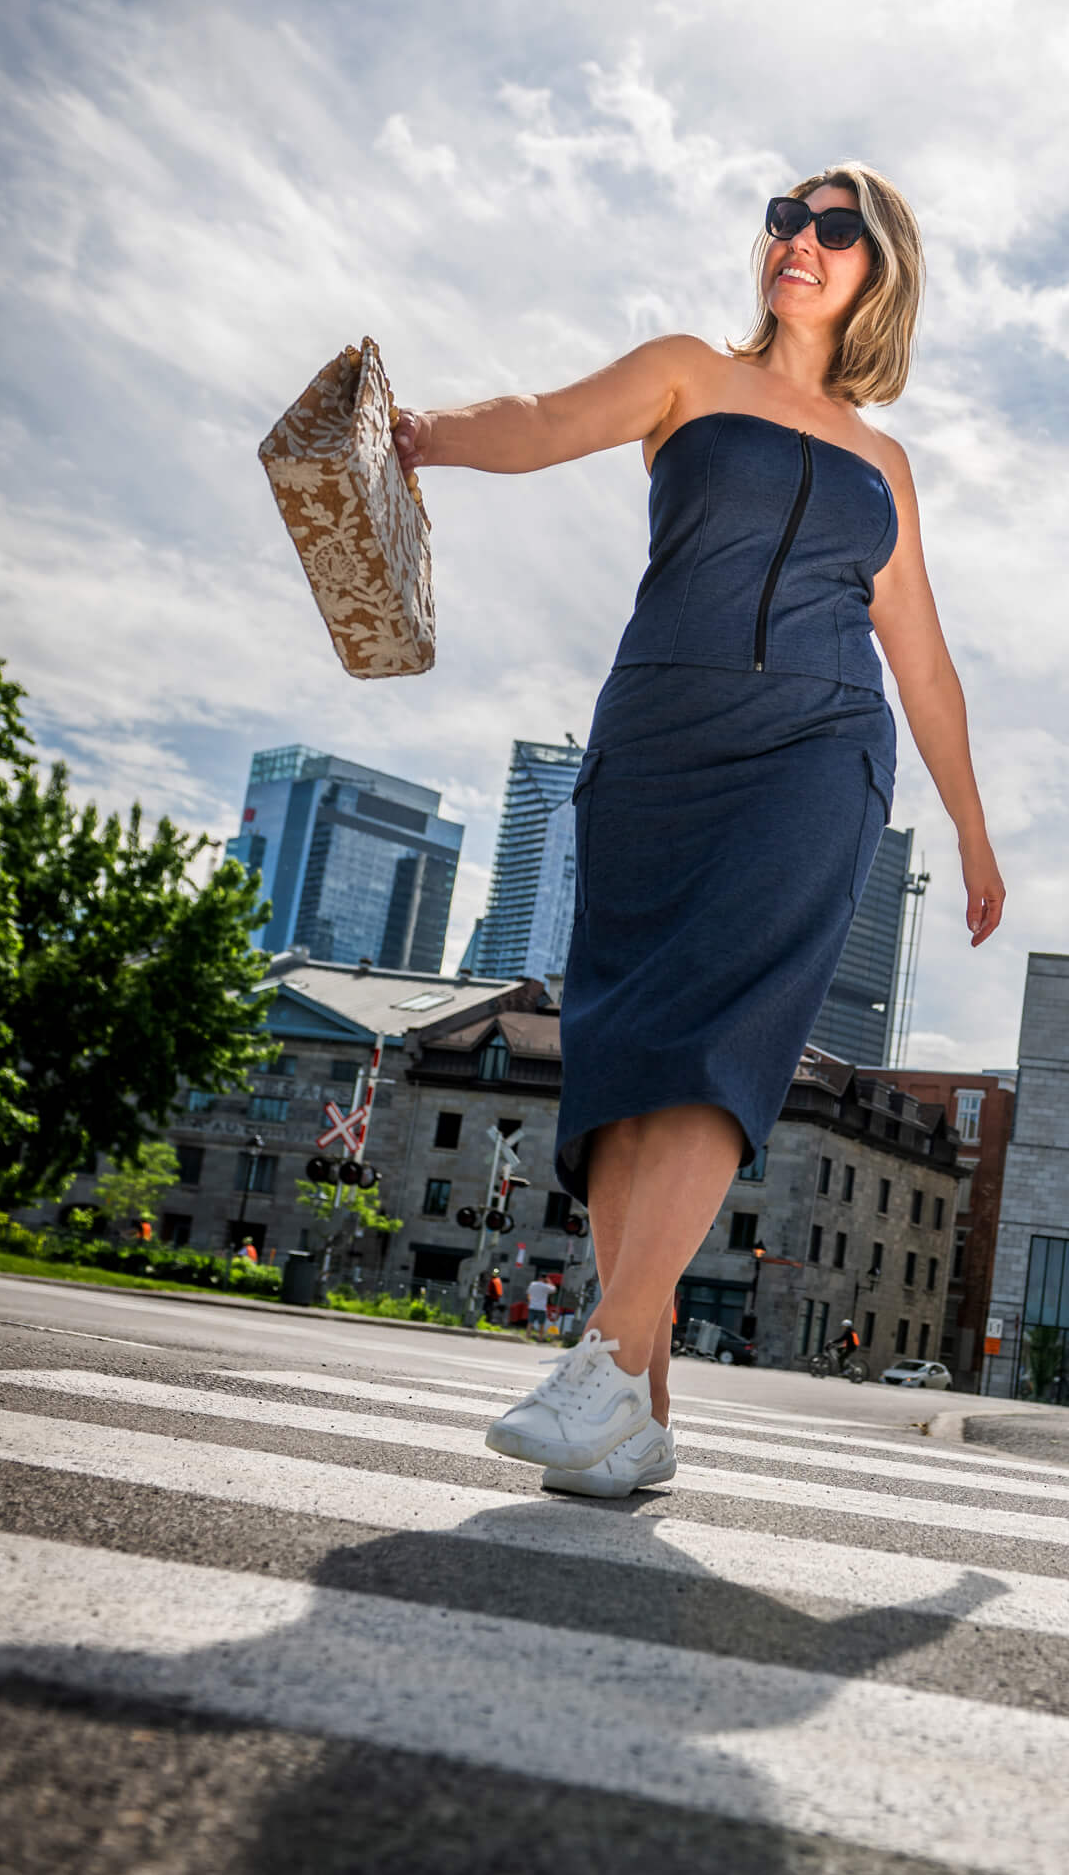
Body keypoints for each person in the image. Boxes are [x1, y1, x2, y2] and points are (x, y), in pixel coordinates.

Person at [393, 168, 1004, 1500]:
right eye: (788, 216)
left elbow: (929, 665)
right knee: (625, 1059)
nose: (803, 240)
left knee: (718, 1038)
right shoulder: (685, 374)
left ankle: (605, 1362)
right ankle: (644, 1408)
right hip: (659, 745)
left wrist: (972, 830)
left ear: (877, 271)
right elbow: (545, 419)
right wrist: (419, 433)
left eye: (837, 228)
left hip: (817, 749)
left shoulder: (883, 464)